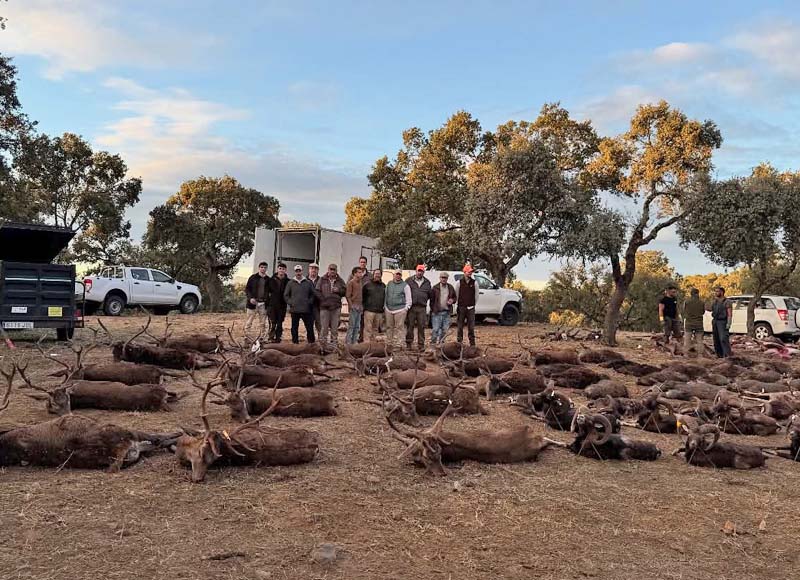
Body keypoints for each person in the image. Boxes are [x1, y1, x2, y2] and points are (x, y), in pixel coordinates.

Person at [315, 264, 346, 349]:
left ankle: (334, 347)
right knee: (324, 328)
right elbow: (317, 291)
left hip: (336, 307)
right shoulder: (322, 279)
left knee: (334, 329)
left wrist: (339, 290)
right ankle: (322, 347)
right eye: (331, 269)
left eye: (334, 269)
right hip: (324, 308)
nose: (332, 271)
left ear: (336, 271)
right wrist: (323, 300)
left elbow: (345, 291)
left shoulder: (340, 280)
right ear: (328, 270)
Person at [284, 264, 316, 344]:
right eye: (296, 271)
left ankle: (311, 343)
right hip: (295, 310)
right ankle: (295, 343)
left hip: (306, 309)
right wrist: (291, 302)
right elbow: (286, 295)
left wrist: (309, 302)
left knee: (309, 327)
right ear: (295, 272)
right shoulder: (290, 283)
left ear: (302, 271)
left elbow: (313, 294)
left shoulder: (308, 282)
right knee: (294, 328)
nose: (298, 272)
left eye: (299, 271)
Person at [405, 265, 432, 350]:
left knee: (421, 326)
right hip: (411, 308)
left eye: (421, 271)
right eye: (418, 271)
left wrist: (422, 299)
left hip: (422, 308)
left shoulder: (427, 282)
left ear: (423, 272)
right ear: (415, 271)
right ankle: (409, 344)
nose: (420, 272)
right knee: (410, 326)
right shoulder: (409, 280)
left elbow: (429, 295)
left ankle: (421, 345)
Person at [384, 269, 411, 349]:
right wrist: (385, 306)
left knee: (399, 327)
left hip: (400, 309)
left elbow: (409, 298)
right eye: (396, 274)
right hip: (389, 309)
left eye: (399, 274)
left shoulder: (405, 285)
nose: (398, 275)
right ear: (394, 275)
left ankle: (399, 344)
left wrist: (406, 308)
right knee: (389, 327)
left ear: (401, 276)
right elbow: (386, 294)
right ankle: (389, 343)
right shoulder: (389, 284)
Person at [455, 264, 478, 347]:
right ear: (464, 272)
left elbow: (476, 296)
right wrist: (459, 304)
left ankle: (472, 344)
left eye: (471, 272)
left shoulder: (474, 283)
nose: (470, 273)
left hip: (471, 308)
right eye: (468, 272)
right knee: (460, 327)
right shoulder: (459, 283)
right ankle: (459, 344)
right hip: (461, 307)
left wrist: (472, 304)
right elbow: (456, 295)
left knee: (471, 327)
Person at [244, 261, 270, 335]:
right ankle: (247, 338)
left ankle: (262, 338)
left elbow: (270, 291)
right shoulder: (253, 277)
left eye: (265, 267)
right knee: (249, 322)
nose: (263, 269)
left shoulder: (268, 279)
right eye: (261, 267)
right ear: (259, 268)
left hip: (263, 304)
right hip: (252, 304)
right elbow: (247, 289)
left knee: (263, 323)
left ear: (266, 269)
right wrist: (250, 298)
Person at [430, 271, 456, 345]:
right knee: (435, 329)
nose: (444, 279)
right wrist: (433, 310)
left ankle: (441, 344)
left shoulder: (450, 287)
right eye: (442, 277)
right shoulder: (435, 288)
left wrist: (452, 300)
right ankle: (433, 344)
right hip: (437, 312)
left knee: (445, 330)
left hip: (446, 312)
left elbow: (454, 297)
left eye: (445, 278)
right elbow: (431, 300)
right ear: (440, 278)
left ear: (447, 279)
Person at [362, 269, 386, 343]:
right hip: (369, 310)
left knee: (375, 329)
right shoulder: (367, 285)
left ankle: (373, 344)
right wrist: (363, 308)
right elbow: (362, 297)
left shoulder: (383, 285)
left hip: (379, 311)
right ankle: (366, 344)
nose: (377, 275)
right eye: (376, 273)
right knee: (368, 328)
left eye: (379, 274)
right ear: (373, 274)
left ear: (381, 275)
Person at [267, 262, 289, 343]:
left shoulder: (288, 281)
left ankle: (278, 337)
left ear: (285, 270)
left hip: (282, 305)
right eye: (280, 269)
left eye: (283, 269)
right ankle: (271, 337)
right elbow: (267, 292)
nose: (281, 270)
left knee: (280, 322)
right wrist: (268, 303)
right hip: (272, 305)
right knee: (273, 322)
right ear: (277, 269)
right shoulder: (271, 280)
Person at [683, 287, 706, 357]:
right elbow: (703, 312)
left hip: (689, 323)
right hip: (699, 323)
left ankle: (686, 354)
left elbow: (684, 310)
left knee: (687, 339)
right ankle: (700, 354)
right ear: (697, 294)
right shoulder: (702, 302)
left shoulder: (686, 301)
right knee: (699, 340)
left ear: (691, 294)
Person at [711, 286, 733, 358]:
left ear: (722, 292)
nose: (716, 293)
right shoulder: (715, 301)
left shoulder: (727, 301)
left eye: (718, 291)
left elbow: (729, 313)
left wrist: (729, 323)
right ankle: (719, 355)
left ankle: (727, 355)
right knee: (716, 339)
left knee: (723, 338)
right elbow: (710, 309)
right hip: (715, 321)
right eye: (715, 291)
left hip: (723, 322)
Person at [345, 267, 364, 345]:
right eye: (359, 272)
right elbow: (348, 295)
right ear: (355, 273)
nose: (360, 274)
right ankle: (348, 343)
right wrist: (351, 305)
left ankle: (354, 342)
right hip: (353, 307)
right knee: (351, 326)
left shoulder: (360, 283)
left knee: (357, 327)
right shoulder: (351, 283)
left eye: (361, 272)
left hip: (359, 307)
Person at [308, 263, 322, 335]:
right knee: (309, 324)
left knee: (319, 324)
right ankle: (310, 341)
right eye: (312, 268)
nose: (313, 270)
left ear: (318, 270)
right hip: (307, 306)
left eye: (315, 269)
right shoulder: (304, 280)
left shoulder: (321, 280)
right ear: (309, 269)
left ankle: (321, 340)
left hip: (318, 306)